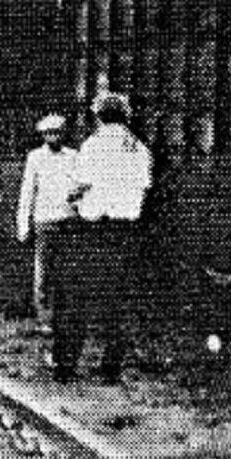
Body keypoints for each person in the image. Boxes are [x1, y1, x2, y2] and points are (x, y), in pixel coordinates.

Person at [53, 92, 153, 383]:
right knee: (118, 302)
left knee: (75, 300)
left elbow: (80, 185)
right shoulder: (139, 148)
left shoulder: (92, 146)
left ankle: (66, 366)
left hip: (94, 231)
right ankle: (111, 368)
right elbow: (143, 188)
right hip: (126, 232)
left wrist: (71, 197)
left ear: (99, 116)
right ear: (126, 116)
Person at [16, 113, 77, 332]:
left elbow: (79, 186)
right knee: (43, 273)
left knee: (66, 274)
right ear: (42, 135)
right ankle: (44, 318)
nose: (53, 137)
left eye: (57, 133)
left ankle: (64, 319)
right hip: (44, 221)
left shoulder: (73, 156)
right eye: (48, 133)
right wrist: (23, 225)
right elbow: (27, 192)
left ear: (63, 134)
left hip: (68, 220)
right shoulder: (35, 158)